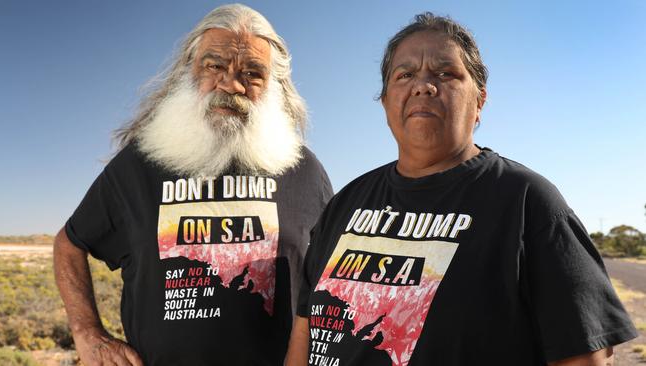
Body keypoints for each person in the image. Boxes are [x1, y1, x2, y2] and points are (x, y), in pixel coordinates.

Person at [286, 12, 637, 366]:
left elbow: (583, 359)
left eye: (445, 73)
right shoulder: (345, 203)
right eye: (405, 74)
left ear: (480, 101)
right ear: (386, 101)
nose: (423, 85)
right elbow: (304, 333)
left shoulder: (527, 202)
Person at [53, 4, 332, 365]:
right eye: (214, 65)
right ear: (189, 72)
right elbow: (70, 243)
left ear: (274, 86)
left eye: (252, 73)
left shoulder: (302, 170)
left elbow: (332, 281)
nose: (231, 85)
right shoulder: (141, 163)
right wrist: (88, 334)